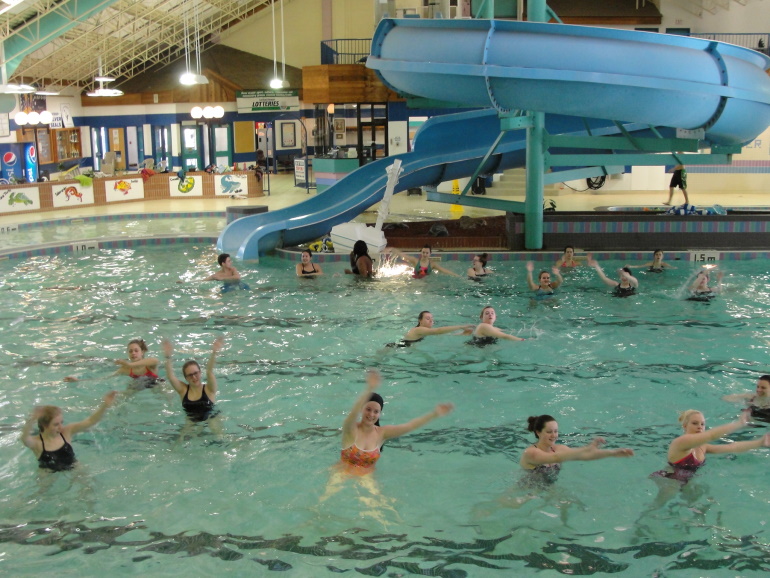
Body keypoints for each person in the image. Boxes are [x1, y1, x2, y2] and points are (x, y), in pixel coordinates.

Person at [336, 369, 454, 475]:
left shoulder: (382, 433)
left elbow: (410, 426)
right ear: (362, 409)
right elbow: (353, 413)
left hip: (366, 478)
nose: (371, 414)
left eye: (376, 411)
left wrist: (434, 414)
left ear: (379, 414)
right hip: (342, 473)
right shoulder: (351, 429)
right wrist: (370, 388)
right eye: (368, 409)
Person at [651, 409, 769, 484]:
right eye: (695, 423)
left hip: (688, 480)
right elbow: (711, 435)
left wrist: (759, 443)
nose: (700, 427)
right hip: (669, 480)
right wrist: (738, 424)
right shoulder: (681, 442)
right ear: (685, 426)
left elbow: (732, 447)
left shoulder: (703, 447)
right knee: (658, 508)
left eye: (702, 424)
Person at [519, 414, 634, 487]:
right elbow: (556, 458)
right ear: (538, 432)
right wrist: (586, 447)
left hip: (548, 489)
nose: (554, 435)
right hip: (526, 492)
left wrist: (613, 453)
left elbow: (585, 456)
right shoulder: (531, 453)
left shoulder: (559, 449)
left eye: (556, 431)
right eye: (549, 432)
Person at [20, 391, 118, 471]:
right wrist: (32, 419)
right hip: (47, 473)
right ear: (45, 425)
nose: (60, 427)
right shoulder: (36, 443)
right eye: (56, 424)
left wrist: (104, 406)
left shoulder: (67, 432)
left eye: (61, 422)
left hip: (74, 467)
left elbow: (90, 421)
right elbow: (24, 438)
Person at [163, 337, 223, 422]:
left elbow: (209, 371)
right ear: (186, 378)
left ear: (200, 372)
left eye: (196, 373)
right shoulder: (183, 390)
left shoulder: (209, 389)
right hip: (191, 421)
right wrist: (168, 357)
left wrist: (214, 353)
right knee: (183, 435)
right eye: (190, 375)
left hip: (211, 418)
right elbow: (171, 377)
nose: (194, 377)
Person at [391, 311, 473, 347]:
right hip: (393, 348)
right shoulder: (418, 329)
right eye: (427, 318)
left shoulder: (424, 331)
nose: (431, 321)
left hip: (403, 347)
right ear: (420, 320)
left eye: (432, 319)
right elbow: (438, 331)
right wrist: (461, 326)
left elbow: (442, 334)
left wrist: (461, 334)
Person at [385, 245, 459, 278]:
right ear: (421, 253)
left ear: (430, 254)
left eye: (427, 253)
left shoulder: (432, 264)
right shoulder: (415, 261)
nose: (425, 254)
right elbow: (403, 255)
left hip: (426, 282)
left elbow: (443, 270)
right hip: (415, 281)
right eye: (423, 252)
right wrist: (392, 249)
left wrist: (456, 275)